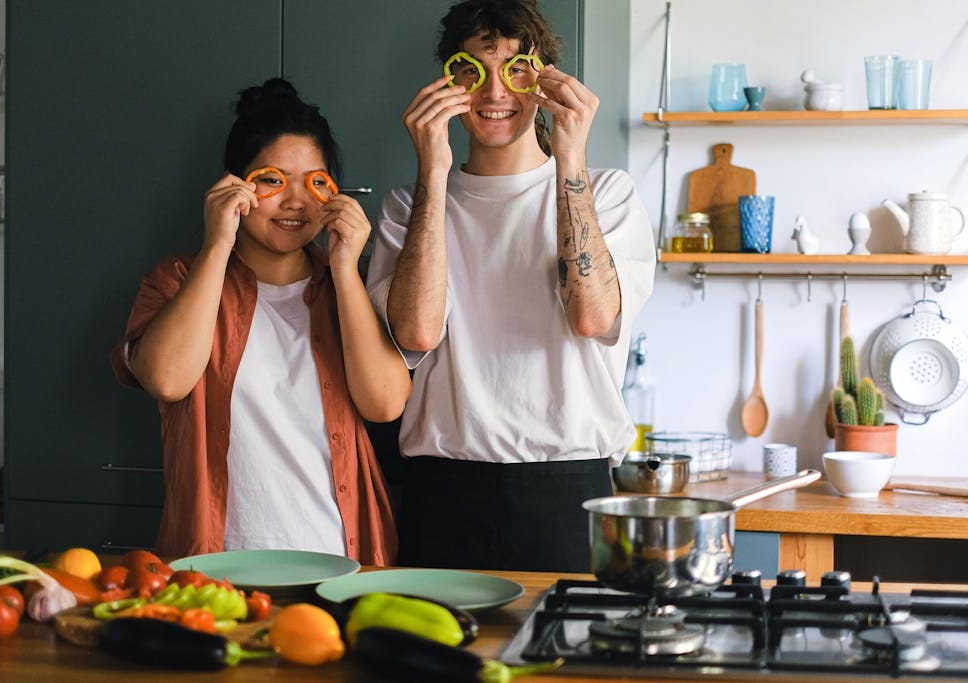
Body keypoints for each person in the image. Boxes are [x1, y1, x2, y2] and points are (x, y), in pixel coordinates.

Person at [365, 0, 656, 572]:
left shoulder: (611, 194)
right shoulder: (409, 205)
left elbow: (592, 317)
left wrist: (570, 156)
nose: (496, 93)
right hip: (440, 491)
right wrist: (432, 171)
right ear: (449, 83)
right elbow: (418, 332)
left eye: (516, 69)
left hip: (571, 489)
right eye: (475, 71)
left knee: (565, 656)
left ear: (545, 80)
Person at [111, 78, 409, 565]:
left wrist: (344, 270)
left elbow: (385, 404)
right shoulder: (179, 278)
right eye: (273, 180)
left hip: (340, 560)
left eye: (315, 182)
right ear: (235, 187)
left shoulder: (348, 287)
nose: (296, 202)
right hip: (217, 565)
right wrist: (216, 244)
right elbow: (166, 379)